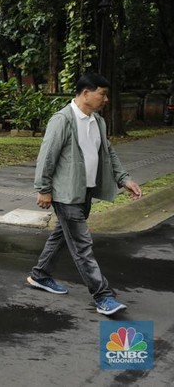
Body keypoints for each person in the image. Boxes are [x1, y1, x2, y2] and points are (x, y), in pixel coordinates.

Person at [28, 73, 142, 315]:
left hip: (85, 190)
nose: (106, 99)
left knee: (62, 235)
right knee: (82, 245)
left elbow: (108, 152)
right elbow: (47, 156)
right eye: (103, 94)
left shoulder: (97, 121)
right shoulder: (63, 120)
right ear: (86, 93)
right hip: (66, 194)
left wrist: (124, 179)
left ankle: (40, 274)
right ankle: (102, 296)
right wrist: (43, 189)